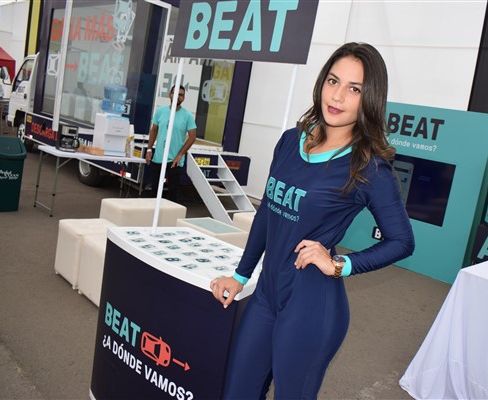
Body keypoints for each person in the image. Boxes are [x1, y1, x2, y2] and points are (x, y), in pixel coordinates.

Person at [210, 42, 415, 399]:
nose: (337, 96)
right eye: (333, 81)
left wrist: (340, 265)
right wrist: (240, 275)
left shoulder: (368, 167)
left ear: (370, 98)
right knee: (236, 392)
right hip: (266, 295)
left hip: (311, 307)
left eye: (354, 89)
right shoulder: (290, 141)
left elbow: (402, 241)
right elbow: (267, 213)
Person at [145, 85, 197, 203]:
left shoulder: (187, 116)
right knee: (155, 191)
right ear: (170, 95)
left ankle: (170, 214)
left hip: (175, 161)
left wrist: (180, 155)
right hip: (159, 158)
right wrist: (149, 149)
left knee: (173, 194)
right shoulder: (161, 111)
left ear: (183, 98)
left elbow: (192, 137)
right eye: (175, 93)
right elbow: (154, 130)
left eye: (181, 95)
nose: (177, 97)